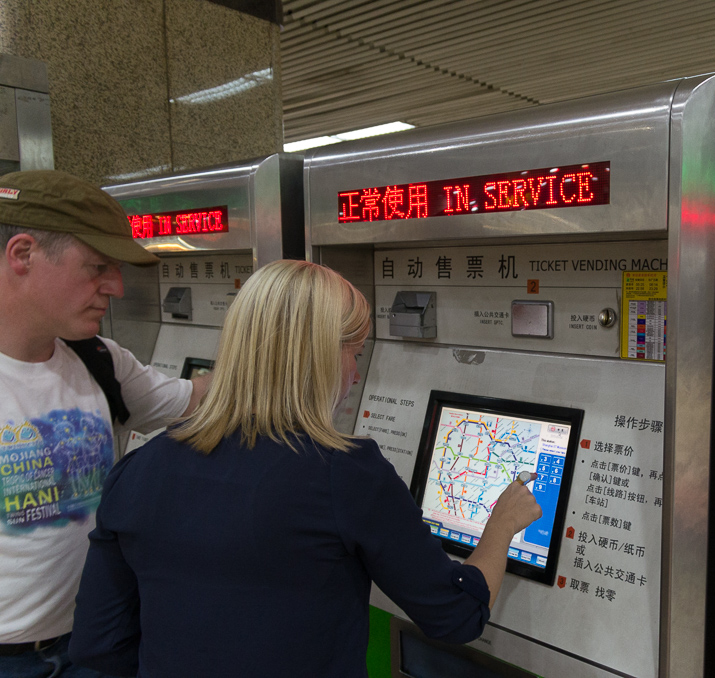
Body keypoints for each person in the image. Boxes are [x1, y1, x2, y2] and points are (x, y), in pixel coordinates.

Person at [69, 260, 543, 678]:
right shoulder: (345, 474)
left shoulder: (138, 469)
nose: (356, 374)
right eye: (354, 354)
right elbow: (456, 616)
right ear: (316, 357)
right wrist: (500, 527)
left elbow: (100, 641)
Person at [0, 170, 208, 677]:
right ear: (23, 255)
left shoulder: (99, 360)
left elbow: (197, 401)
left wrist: (282, 353)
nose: (115, 287)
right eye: (97, 267)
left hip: (97, 643)